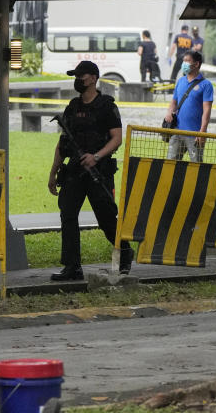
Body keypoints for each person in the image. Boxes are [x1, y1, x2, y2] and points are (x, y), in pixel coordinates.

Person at [47, 60, 133, 280]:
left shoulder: (106, 106)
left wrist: (96, 157)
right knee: (67, 216)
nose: (78, 80)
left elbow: (117, 138)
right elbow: (63, 142)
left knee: (105, 218)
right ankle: (72, 267)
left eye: (81, 76)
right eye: (76, 76)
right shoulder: (72, 107)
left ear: (93, 78)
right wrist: (53, 172)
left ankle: (124, 252)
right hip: (74, 171)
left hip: (98, 172)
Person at [164, 50, 213, 161]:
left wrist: (202, 131)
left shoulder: (206, 85)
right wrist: (169, 113)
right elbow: (174, 102)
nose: (184, 64)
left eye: (187, 61)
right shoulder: (180, 81)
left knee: (196, 165)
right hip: (177, 131)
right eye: (183, 61)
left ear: (196, 64)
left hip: (195, 134)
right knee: (170, 164)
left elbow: (207, 110)